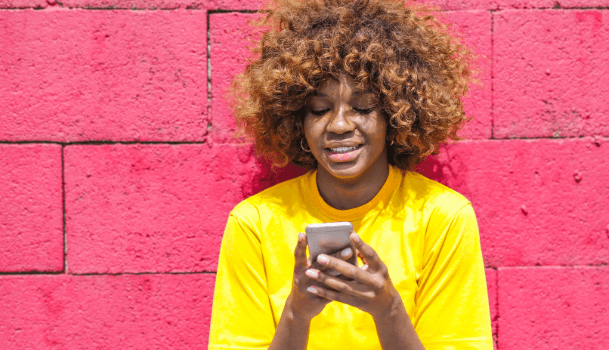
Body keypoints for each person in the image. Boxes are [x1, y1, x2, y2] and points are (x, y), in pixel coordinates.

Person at [208, 0, 492, 349]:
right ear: (298, 119)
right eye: (320, 109)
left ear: (396, 113)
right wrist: (297, 313)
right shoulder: (254, 223)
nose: (339, 125)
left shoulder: (443, 218)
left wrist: (387, 309)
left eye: (363, 107)